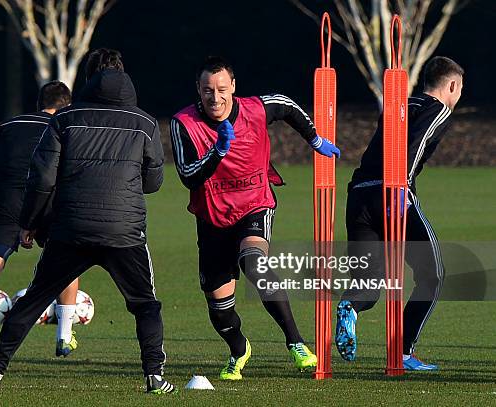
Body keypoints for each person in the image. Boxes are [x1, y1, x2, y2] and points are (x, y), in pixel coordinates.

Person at [0, 49, 177, 394]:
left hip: (71, 228)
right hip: (124, 232)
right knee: (146, 305)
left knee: (34, 300)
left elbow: (42, 179)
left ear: (88, 80)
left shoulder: (65, 118)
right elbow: (154, 182)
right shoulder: (145, 123)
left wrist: (30, 222)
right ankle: (154, 377)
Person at [170, 56, 341, 380]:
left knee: (254, 263)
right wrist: (216, 153)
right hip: (212, 218)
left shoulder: (255, 109)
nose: (215, 97)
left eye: (222, 89)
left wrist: (314, 138)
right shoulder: (183, 123)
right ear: (198, 90)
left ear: (233, 87)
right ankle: (238, 349)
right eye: (208, 90)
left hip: (255, 204)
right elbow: (188, 175)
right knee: (220, 309)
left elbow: (287, 105)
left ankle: (296, 343)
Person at [336, 56, 464, 370]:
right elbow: (415, 146)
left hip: (359, 194)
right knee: (432, 275)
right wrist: (399, 188)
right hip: (392, 192)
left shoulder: (400, 104)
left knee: (368, 284)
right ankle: (403, 353)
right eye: (459, 89)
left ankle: (349, 306)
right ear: (451, 85)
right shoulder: (439, 109)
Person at [0, 81, 81, 357]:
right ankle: (64, 336)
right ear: (67, 105)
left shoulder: (7, 127)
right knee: (67, 265)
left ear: (39, 104)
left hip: (7, 206)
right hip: (50, 204)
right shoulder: (65, 126)